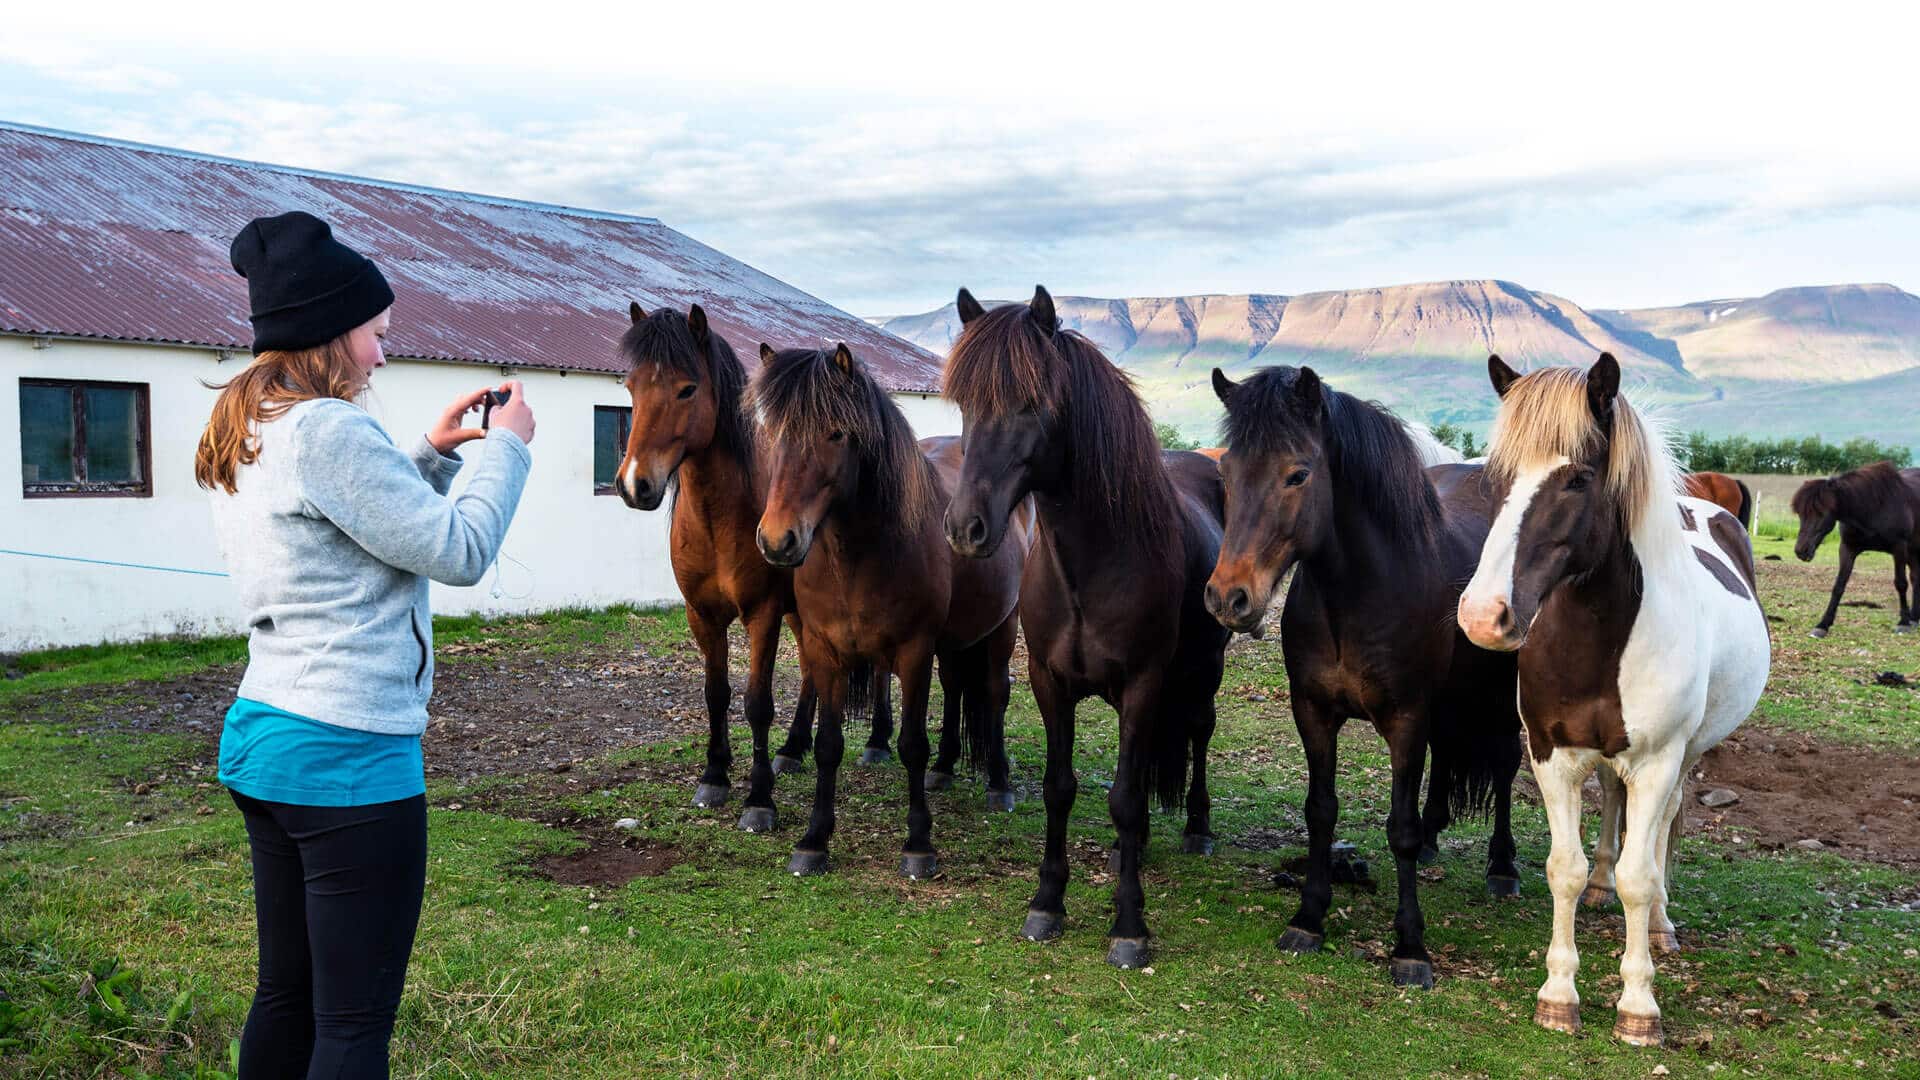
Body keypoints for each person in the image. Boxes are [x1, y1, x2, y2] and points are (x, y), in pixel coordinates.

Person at [195, 210, 535, 1077]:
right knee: (351, 1025)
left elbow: (343, 533)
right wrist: (507, 452)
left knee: (288, 996)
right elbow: (456, 552)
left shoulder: (255, 425)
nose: (383, 355)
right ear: (332, 333)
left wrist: (427, 452)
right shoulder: (329, 430)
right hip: (347, 756)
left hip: (269, 737)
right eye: (377, 335)